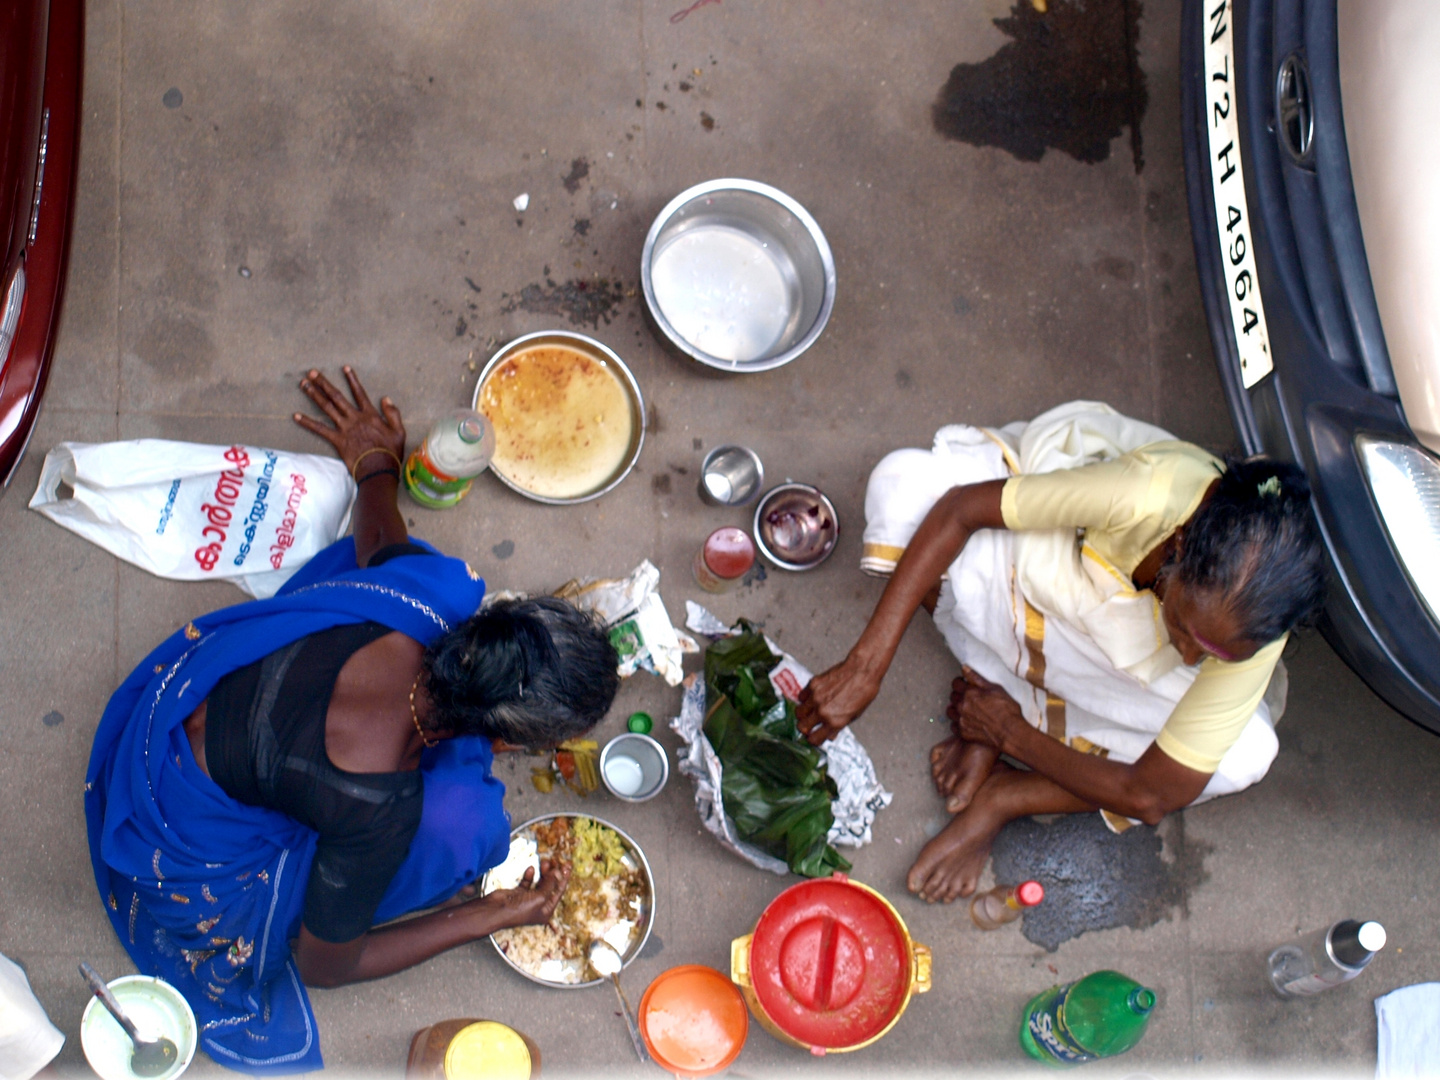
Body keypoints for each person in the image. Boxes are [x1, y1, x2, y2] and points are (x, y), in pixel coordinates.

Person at [84, 368, 620, 1073]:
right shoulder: (375, 806)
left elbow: (380, 542)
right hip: (177, 819)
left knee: (408, 577)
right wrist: (492, 914)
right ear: (503, 738)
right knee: (467, 830)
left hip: (174, 702)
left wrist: (374, 465)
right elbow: (325, 966)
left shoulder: (436, 600)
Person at [796, 401, 1325, 905]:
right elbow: (960, 511)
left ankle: (1007, 790)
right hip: (1048, 581)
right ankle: (995, 691)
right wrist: (866, 667)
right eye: (1187, 630)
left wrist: (1011, 735)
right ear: (1179, 548)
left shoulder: (1257, 625)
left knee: (1244, 755)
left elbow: (1149, 796)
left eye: (1213, 655)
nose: (1190, 656)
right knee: (904, 484)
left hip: (1107, 661)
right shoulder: (1145, 494)